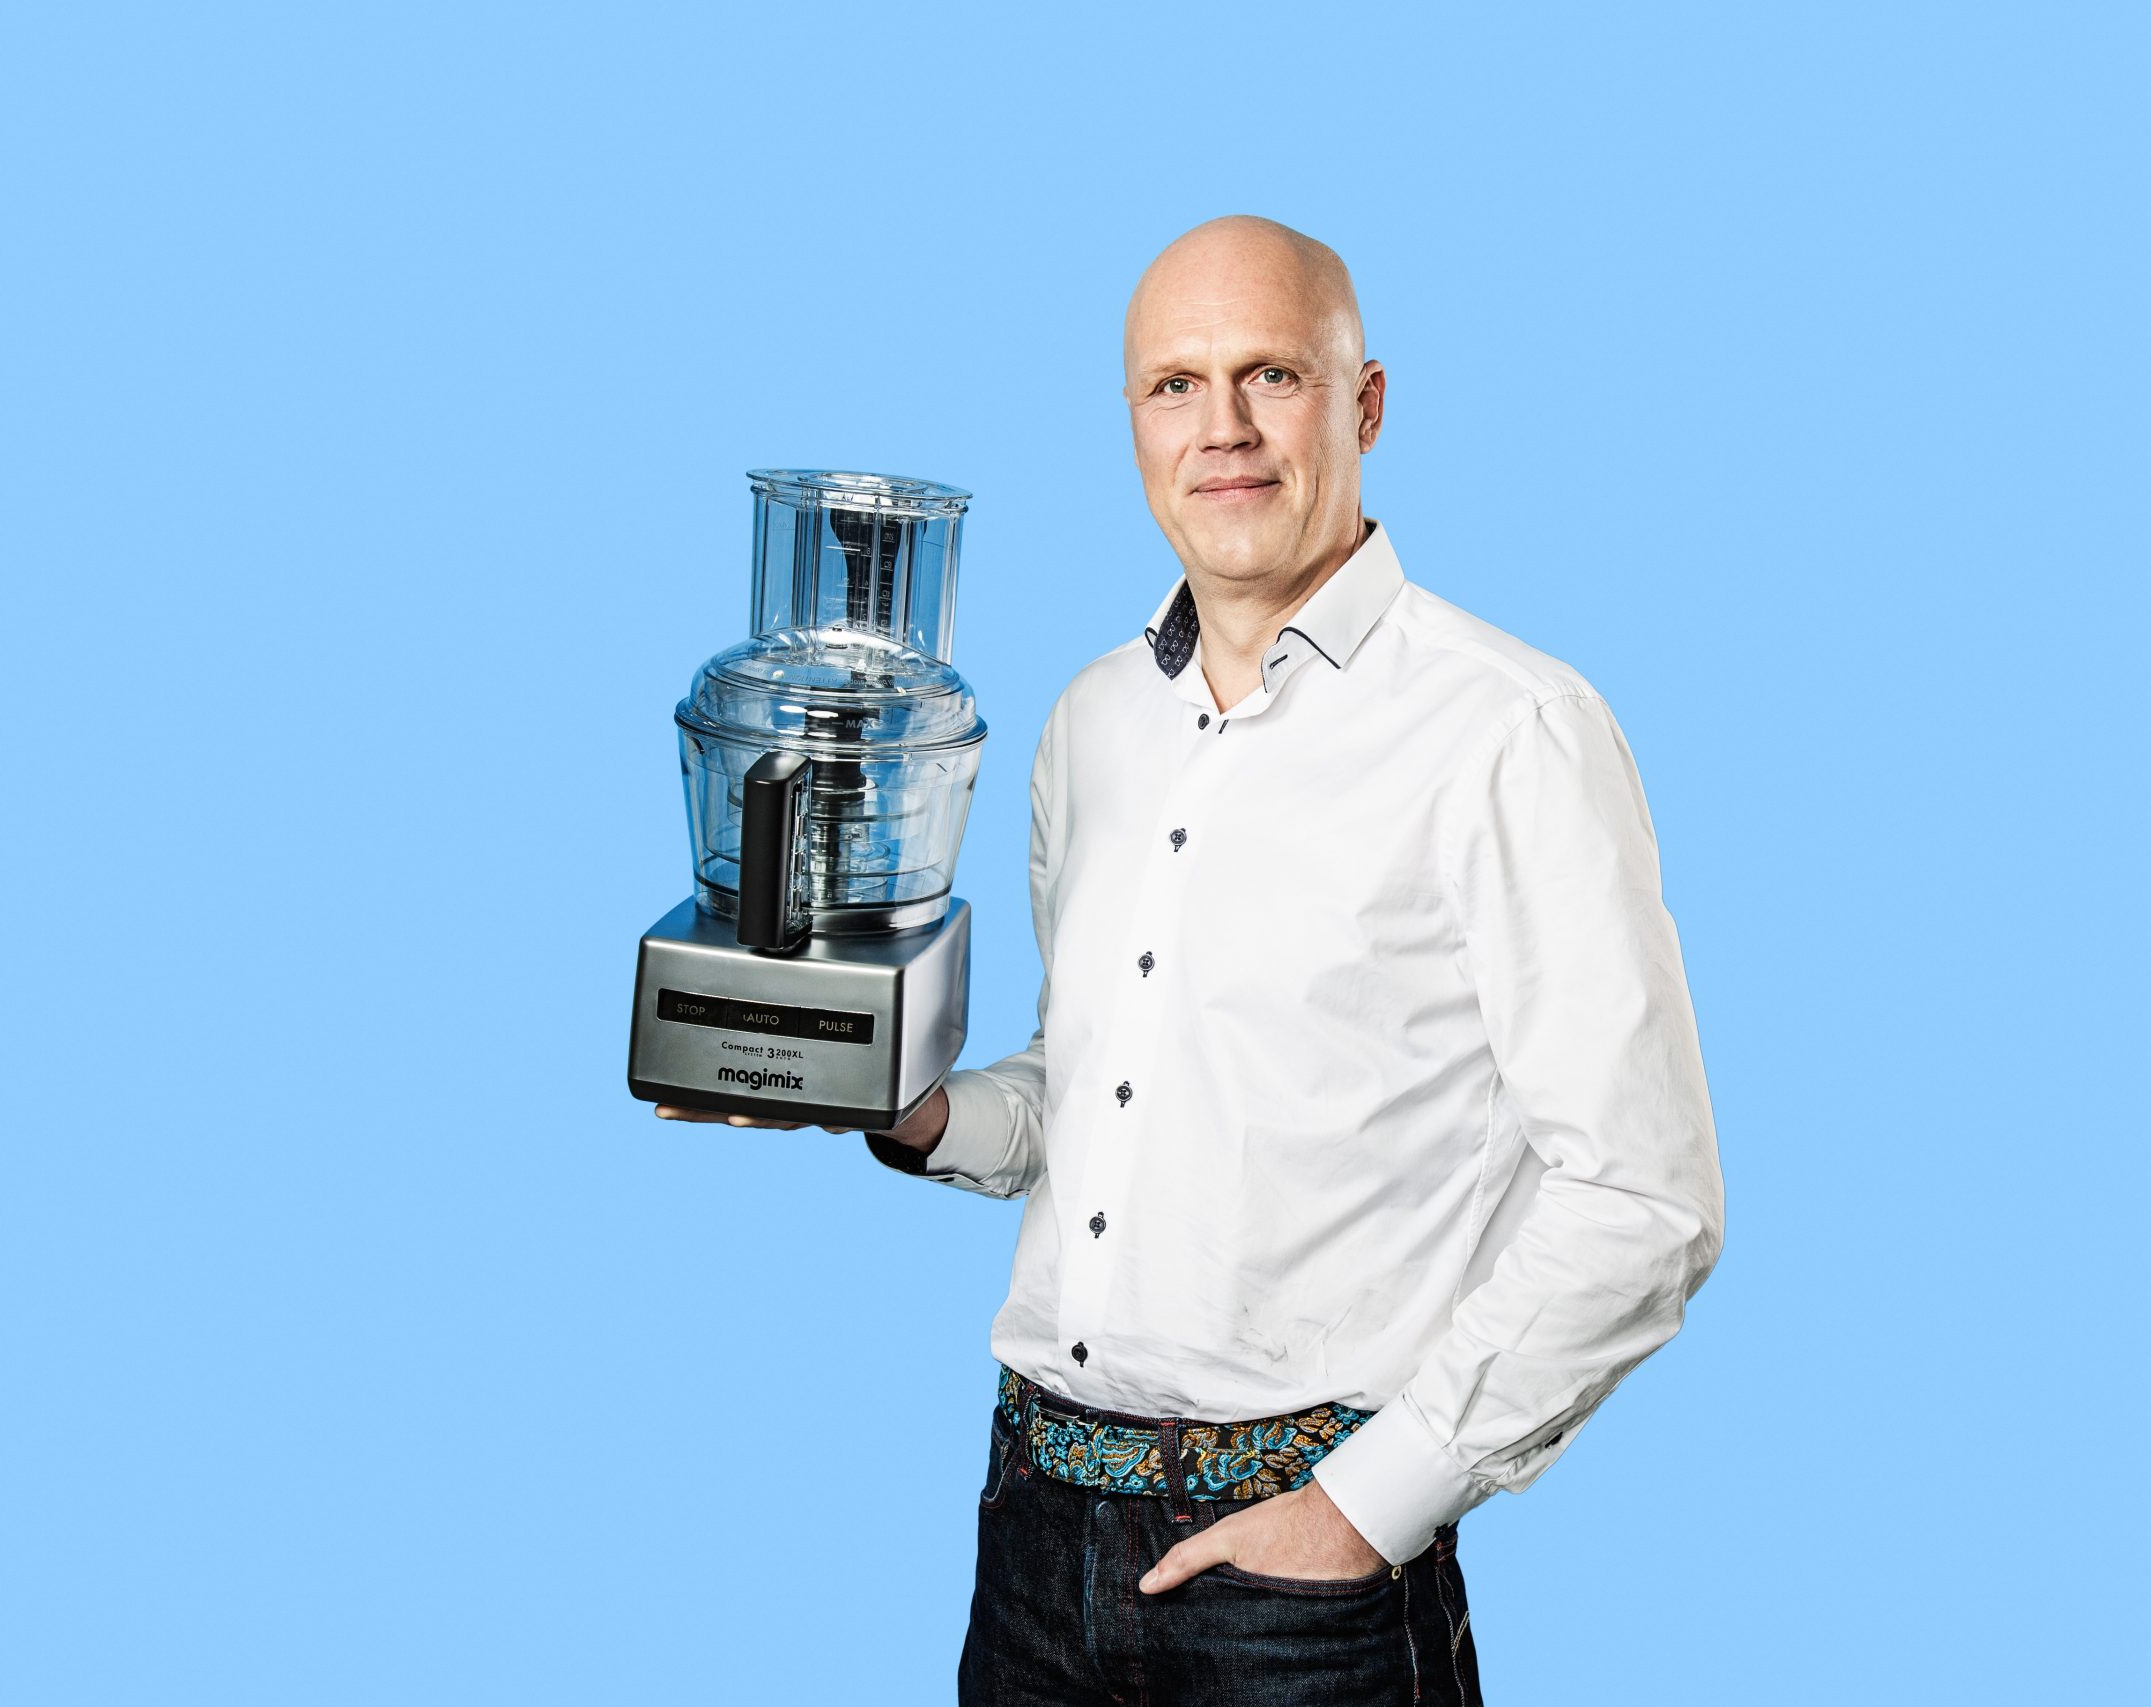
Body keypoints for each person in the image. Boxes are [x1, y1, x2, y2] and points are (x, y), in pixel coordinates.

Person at [661, 213, 1724, 1704]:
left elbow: (1645, 1198)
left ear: (1365, 404)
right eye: (1175, 385)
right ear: (1133, 421)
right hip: (1033, 1529)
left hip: (1301, 1579)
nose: (1220, 428)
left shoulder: (1509, 732)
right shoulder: (1093, 719)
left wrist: (1371, 1506)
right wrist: (901, 1102)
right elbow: (1084, 1087)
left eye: (1270, 375)